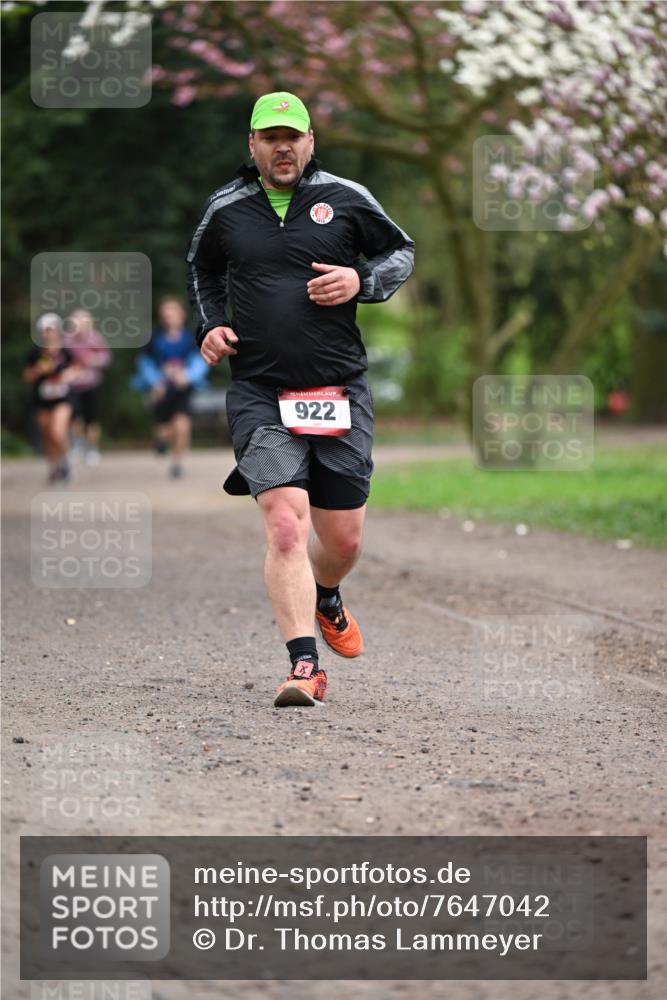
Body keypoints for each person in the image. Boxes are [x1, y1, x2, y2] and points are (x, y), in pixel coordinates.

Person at [186, 91, 414, 708]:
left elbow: (401, 251)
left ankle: (328, 593)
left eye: (293, 136)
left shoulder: (345, 197)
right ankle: (304, 665)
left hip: (338, 386)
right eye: (269, 137)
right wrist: (209, 324)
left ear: (311, 140)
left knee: (342, 543)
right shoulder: (227, 207)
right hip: (261, 389)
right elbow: (201, 269)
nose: (282, 147)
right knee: (287, 522)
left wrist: (361, 281)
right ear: (252, 146)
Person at [132, 296, 208, 478]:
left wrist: (188, 376)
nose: (169, 316)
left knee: (182, 426)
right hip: (161, 391)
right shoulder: (153, 339)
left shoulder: (191, 338)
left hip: (182, 389)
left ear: (181, 314)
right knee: (164, 431)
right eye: (166, 313)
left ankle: (177, 463)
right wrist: (155, 381)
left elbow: (201, 361)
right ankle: (161, 441)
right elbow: (144, 363)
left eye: (173, 312)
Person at [23, 314, 77, 483]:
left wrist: (69, 375)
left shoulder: (66, 352)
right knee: (47, 435)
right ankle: (54, 467)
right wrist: (37, 371)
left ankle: (65, 460)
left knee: (57, 432)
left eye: (52, 330)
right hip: (41, 400)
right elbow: (26, 377)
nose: (49, 334)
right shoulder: (35, 353)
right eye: (46, 331)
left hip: (62, 398)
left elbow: (77, 369)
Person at [64, 308, 111, 466]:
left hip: (92, 384)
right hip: (72, 385)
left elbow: (106, 358)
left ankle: (91, 449)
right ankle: (76, 446)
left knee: (91, 420)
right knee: (73, 418)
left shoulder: (95, 339)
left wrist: (93, 360)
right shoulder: (67, 341)